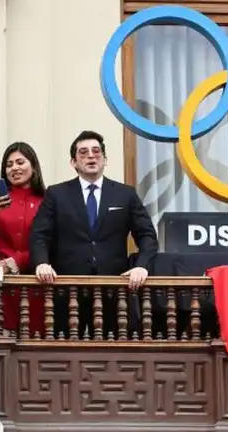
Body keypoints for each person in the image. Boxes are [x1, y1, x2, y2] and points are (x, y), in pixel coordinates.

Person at [29, 130, 157, 337]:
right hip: (68, 289)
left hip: (113, 288)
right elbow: (39, 235)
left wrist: (141, 266)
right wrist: (41, 262)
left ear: (105, 159)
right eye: (83, 152)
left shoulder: (125, 194)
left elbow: (147, 236)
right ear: (73, 162)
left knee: (115, 351)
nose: (91, 155)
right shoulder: (57, 194)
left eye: (96, 151)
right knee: (66, 352)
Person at [0, 142, 46, 337]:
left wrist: (17, 261)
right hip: (2, 285)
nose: (14, 168)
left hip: (36, 284)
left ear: (33, 166)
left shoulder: (46, 199)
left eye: (20, 162)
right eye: (9, 164)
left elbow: (51, 242)